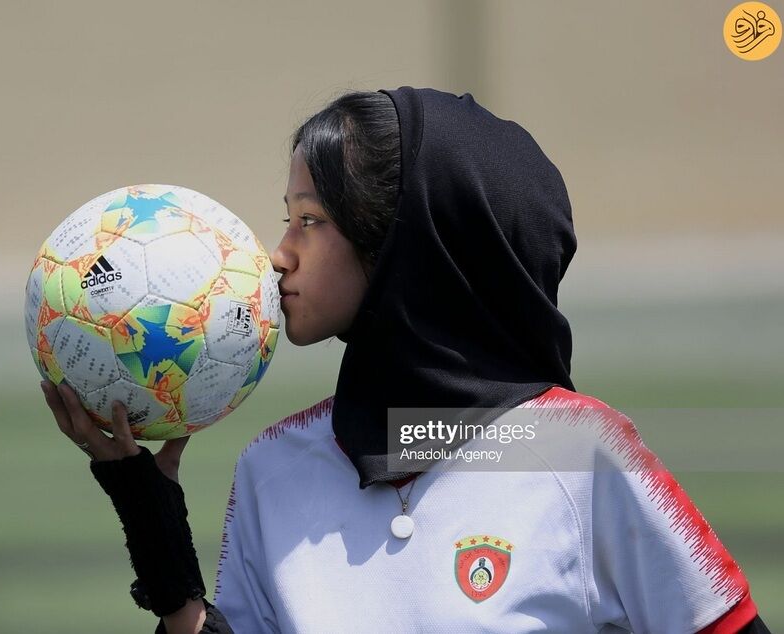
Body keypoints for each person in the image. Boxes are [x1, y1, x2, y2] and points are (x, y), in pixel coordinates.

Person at [40, 87, 771, 633]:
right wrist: (161, 549)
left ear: (408, 244)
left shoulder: (578, 455)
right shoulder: (273, 467)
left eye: (310, 220)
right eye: (285, 218)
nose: (278, 254)